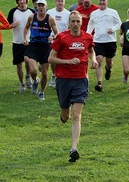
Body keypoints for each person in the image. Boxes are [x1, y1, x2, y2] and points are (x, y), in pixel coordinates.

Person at [48, 10, 98, 162]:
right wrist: (67, 62)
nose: (75, 24)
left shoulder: (87, 37)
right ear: (69, 22)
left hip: (81, 80)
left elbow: (91, 50)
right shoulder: (61, 37)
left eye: (78, 21)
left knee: (77, 115)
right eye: (73, 21)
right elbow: (50, 58)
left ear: (81, 23)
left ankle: (74, 149)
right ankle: (63, 116)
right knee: (66, 115)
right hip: (63, 80)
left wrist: (93, 60)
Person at [24, 0, 58, 100]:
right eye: (39, 5)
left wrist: (52, 37)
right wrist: (25, 38)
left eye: (43, 5)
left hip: (45, 47)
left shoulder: (50, 19)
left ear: (46, 7)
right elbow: (26, 28)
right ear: (36, 7)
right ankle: (35, 81)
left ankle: (42, 92)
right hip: (33, 46)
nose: (41, 7)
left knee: (44, 72)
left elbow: (57, 33)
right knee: (33, 70)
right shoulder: (31, 17)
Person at [87, 0, 122, 92]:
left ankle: (108, 69)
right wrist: (87, 35)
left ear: (107, 1)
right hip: (98, 41)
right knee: (98, 60)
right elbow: (91, 25)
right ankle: (99, 83)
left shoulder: (113, 12)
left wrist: (113, 29)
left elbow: (119, 23)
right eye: (100, 0)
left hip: (110, 41)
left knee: (109, 61)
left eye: (104, 0)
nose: (102, 2)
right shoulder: (94, 13)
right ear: (98, 1)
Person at [7, 0, 35, 93]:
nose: (22, 1)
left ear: (26, 0)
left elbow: (36, 25)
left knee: (28, 61)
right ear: (17, 1)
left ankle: (28, 76)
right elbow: (7, 25)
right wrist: (12, 25)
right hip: (17, 41)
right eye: (20, 0)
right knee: (18, 64)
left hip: (28, 42)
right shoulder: (13, 12)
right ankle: (21, 83)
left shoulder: (32, 11)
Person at [47, 0, 70, 88]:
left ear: (64, 2)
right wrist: (50, 36)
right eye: (58, 1)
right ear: (55, 2)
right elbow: (46, 25)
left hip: (64, 40)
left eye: (62, 1)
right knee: (53, 58)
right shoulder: (50, 12)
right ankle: (54, 75)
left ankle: (63, 77)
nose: (60, 3)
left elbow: (69, 27)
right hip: (52, 39)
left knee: (63, 58)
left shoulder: (68, 13)